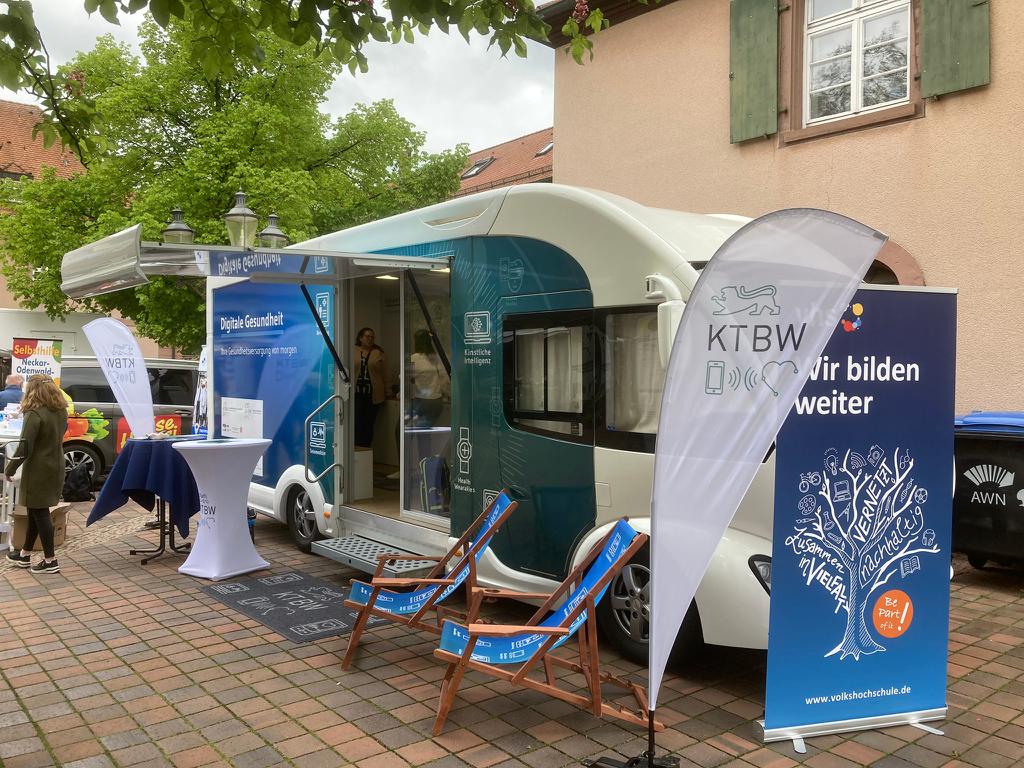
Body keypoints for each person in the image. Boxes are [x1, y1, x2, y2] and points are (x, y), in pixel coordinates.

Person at [4, 374, 68, 574]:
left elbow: (25, 447)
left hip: (38, 469)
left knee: (40, 514)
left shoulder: (34, 413)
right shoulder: (60, 410)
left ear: (33, 389)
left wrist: (9, 469)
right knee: (35, 511)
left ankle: (50, 560)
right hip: (56, 464)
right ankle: (24, 554)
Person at [353, 327, 386, 448]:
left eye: (372, 337)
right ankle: (356, 451)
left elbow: (384, 373)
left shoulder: (378, 352)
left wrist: (388, 392)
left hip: (373, 395)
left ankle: (366, 451)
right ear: (360, 338)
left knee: (368, 425)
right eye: (367, 336)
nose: (370, 339)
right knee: (357, 424)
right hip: (357, 394)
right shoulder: (353, 351)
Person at [408, 329, 449, 428]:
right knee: (424, 434)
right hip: (435, 401)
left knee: (401, 429)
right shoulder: (437, 358)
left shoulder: (414, 358)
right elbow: (445, 380)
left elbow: (405, 379)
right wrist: (446, 394)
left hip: (420, 400)